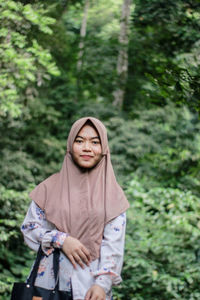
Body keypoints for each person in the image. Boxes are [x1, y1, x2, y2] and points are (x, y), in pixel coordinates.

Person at [21, 117, 129, 300]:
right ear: (70, 145)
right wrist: (61, 239)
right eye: (79, 141)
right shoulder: (49, 188)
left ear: (103, 148)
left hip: (89, 288)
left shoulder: (112, 194)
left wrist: (102, 284)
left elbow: (114, 245)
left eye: (95, 142)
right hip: (46, 286)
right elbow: (29, 229)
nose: (87, 148)